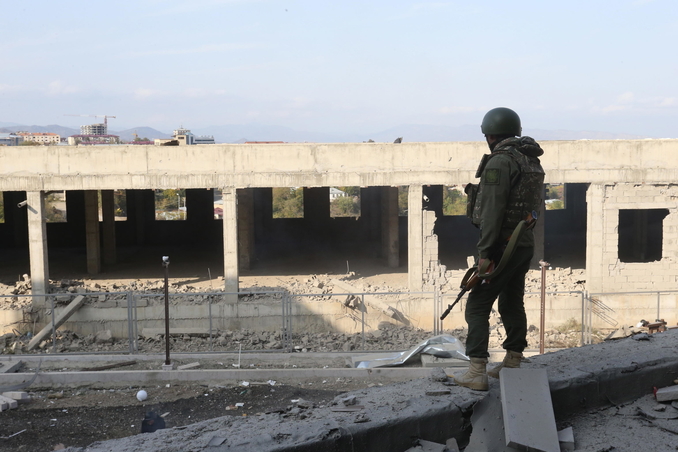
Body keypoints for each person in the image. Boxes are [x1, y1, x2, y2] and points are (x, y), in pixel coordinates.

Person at [452, 107, 545, 391]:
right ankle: (514, 359)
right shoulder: (530, 160)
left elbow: (492, 212)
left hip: (502, 246)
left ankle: (476, 371)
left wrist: (484, 254)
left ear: (490, 135)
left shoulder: (499, 163)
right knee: (511, 300)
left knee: (477, 305)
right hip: (523, 243)